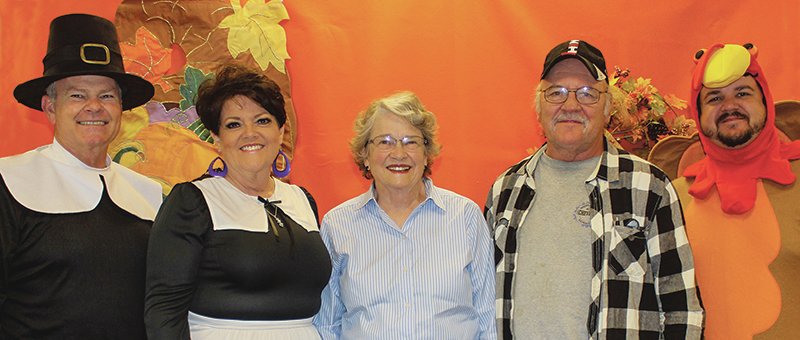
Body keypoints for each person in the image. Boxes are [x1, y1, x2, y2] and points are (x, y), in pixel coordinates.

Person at [484, 39, 704, 339]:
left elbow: (682, 309)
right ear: (539, 106)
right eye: (556, 93)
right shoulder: (505, 190)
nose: (570, 105)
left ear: (609, 106)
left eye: (587, 93)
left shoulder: (649, 187)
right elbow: (480, 300)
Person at [0, 14, 162, 338]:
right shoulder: (8, 181)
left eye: (106, 96)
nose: (93, 107)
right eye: (77, 95)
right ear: (49, 107)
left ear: (121, 108)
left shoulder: (151, 195)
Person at [144, 63, 331, 339]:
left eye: (263, 120)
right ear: (217, 138)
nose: (249, 133)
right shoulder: (192, 201)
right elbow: (163, 310)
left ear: (281, 132)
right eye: (234, 124)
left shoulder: (302, 199)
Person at [313, 91, 496, 339]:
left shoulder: (465, 217)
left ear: (426, 153)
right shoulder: (338, 225)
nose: (398, 153)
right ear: (365, 155)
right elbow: (327, 324)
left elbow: (487, 318)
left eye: (411, 141)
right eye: (385, 141)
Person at [670, 43, 800, 339]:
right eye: (714, 98)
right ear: (698, 115)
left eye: (742, 93)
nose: (729, 106)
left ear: (766, 100)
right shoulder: (673, 199)